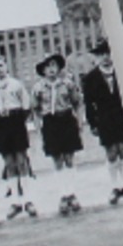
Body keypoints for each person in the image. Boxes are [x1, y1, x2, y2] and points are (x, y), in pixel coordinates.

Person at [83, 41, 123, 205]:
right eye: (101, 55)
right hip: (105, 118)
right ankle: (115, 187)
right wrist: (93, 123)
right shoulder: (90, 78)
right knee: (111, 152)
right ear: (96, 58)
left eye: (108, 54)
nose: (106, 58)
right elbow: (88, 103)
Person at [0, 55, 37, 218]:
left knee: (21, 160)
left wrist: (17, 120)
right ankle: (15, 202)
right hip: (1, 124)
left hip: (16, 122)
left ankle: (28, 200)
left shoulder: (16, 85)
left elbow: (27, 107)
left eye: (0, 65)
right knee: (9, 163)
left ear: (6, 67)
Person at [33, 53, 85, 216]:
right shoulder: (38, 87)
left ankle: (72, 193)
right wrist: (38, 128)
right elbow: (35, 109)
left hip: (66, 119)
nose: (51, 69)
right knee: (57, 159)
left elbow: (78, 103)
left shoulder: (68, 84)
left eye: (54, 65)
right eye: (47, 66)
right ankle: (63, 194)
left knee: (69, 158)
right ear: (43, 70)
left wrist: (79, 122)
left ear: (59, 68)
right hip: (50, 122)